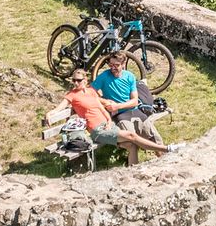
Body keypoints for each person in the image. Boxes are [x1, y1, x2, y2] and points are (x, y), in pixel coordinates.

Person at [47, 68, 175, 167]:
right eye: (73, 80)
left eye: (79, 80)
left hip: (108, 125)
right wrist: (49, 113)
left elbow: (101, 108)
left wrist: (108, 120)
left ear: (85, 81)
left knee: (131, 145)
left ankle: (133, 173)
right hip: (97, 130)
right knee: (132, 136)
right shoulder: (72, 95)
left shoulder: (91, 92)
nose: (75, 83)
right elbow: (59, 108)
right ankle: (167, 149)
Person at [95, 51, 167, 142]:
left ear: (123, 64)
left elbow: (134, 101)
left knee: (156, 139)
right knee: (132, 141)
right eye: (110, 65)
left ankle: (164, 155)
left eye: (116, 65)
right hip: (120, 115)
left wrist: (117, 106)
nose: (112, 68)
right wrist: (104, 101)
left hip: (135, 111)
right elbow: (89, 93)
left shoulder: (129, 76)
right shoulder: (104, 76)